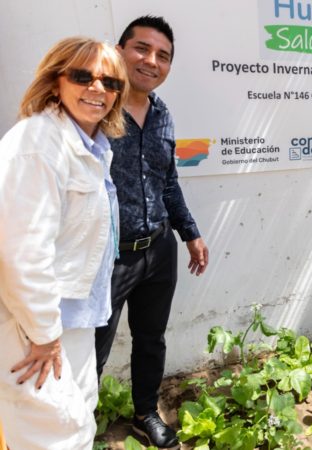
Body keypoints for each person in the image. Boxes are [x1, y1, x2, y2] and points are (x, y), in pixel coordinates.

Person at [0, 36, 128, 449]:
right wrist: (43, 334)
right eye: (82, 76)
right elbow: (22, 251)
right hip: (36, 327)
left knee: (79, 416)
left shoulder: (89, 144)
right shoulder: (37, 143)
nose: (97, 88)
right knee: (52, 434)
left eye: (110, 82)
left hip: (74, 315)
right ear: (56, 81)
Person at [94, 15, 209, 448]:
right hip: (109, 255)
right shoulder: (95, 108)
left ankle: (145, 412)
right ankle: (77, 424)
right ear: (120, 50)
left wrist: (189, 233)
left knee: (151, 339)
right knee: (92, 348)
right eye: (142, 48)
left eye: (162, 55)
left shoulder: (162, 114)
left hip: (158, 249)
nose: (151, 61)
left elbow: (167, 180)